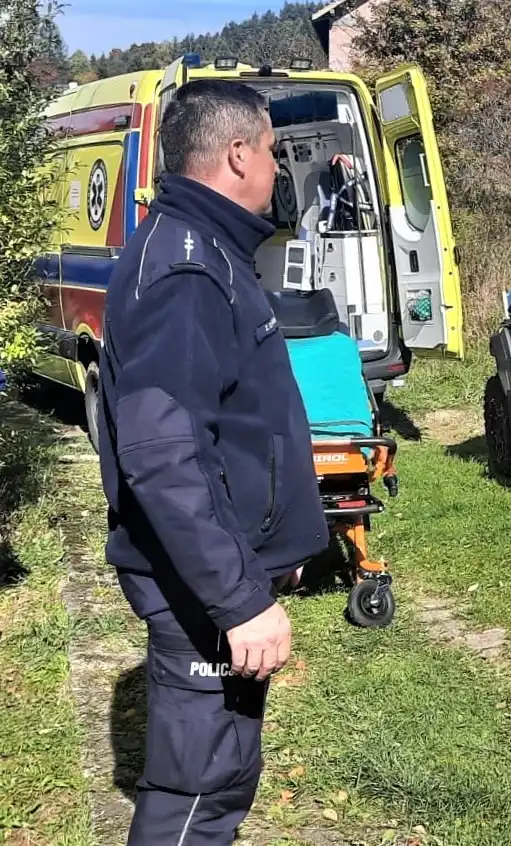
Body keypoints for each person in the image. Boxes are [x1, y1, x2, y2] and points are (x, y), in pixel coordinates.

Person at [97, 79, 329, 844]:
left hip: (215, 577)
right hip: (198, 594)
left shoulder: (205, 250)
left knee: (218, 778)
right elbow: (164, 455)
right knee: (199, 795)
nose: (274, 166)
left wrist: (272, 551)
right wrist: (238, 599)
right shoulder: (191, 270)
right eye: (270, 149)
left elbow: (226, 424)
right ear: (237, 153)